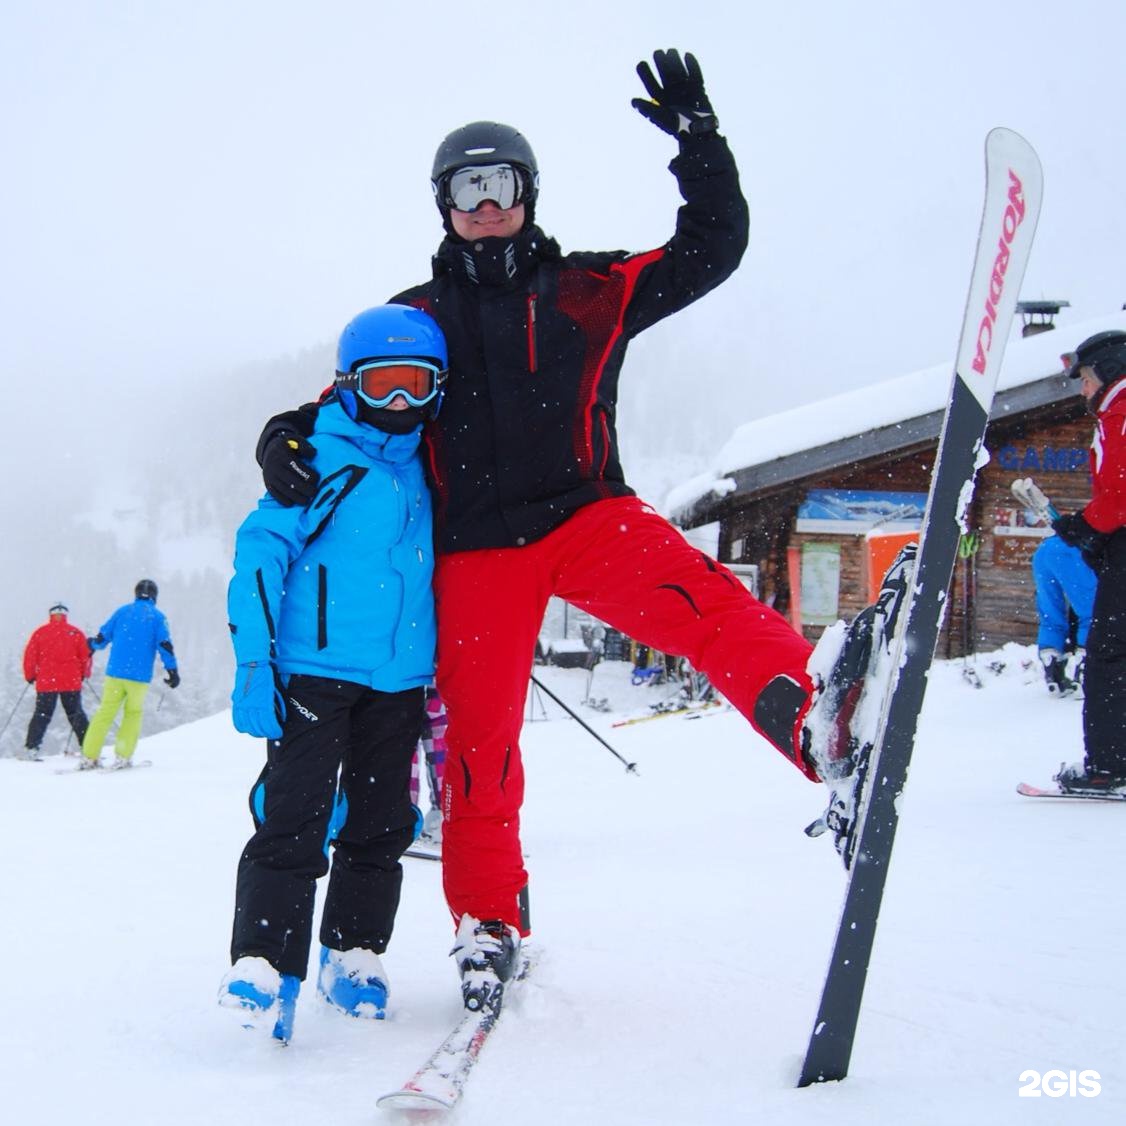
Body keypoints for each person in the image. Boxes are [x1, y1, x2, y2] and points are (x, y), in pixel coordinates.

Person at [253, 50, 899, 1014]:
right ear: (443, 204)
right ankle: (487, 924)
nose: (484, 206)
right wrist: (282, 437)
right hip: (474, 554)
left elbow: (712, 247)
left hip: (588, 513)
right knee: (479, 749)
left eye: (499, 186)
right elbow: (348, 405)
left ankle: (814, 719)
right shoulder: (413, 317)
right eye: (464, 190)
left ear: (527, 194)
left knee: (703, 604)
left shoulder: (588, 290)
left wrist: (699, 145)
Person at [219, 305, 444, 1044]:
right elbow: (260, 552)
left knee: (382, 824)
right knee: (293, 817)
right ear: (349, 384)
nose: (401, 404)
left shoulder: (437, 465)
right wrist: (256, 661)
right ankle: (263, 962)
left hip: (400, 679)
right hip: (313, 674)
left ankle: (352, 952)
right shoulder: (319, 454)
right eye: (385, 385)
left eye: (417, 385)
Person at [1051, 331, 1126, 791]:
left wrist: (1087, 527)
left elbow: (1121, 490)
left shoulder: (1121, 409)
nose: (1082, 390)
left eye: (1085, 379)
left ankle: (1110, 765)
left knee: (1110, 654)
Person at [80, 580, 179, 769]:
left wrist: (92, 645)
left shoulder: (122, 612)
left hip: (115, 673)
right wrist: (172, 671)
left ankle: (89, 756)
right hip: (139, 678)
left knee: (105, 713)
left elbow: (103, 637)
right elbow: (165, 645)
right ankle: (123, 757)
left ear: (136, 593)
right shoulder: (157, 617)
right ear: (154, 596)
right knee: (132, 714)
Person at [21, 603, 91, 760]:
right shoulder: (75, 632)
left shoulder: (41, 633)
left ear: (50, 615)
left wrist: (30, 675)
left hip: (47, 681)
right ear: (66, 614)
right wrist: (84, 674)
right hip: (70, 680)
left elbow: (30, 655)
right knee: (76, 713)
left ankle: (31, 748)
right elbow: (85, 656)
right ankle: (88, 747)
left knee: (42, 714)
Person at [1030, 534, 1096, 695]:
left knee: (1050, 615)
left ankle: (1052, 666)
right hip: (1073, 552)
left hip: (1044, 551)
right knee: (1092, 614)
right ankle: (1085, 670)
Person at [411, 685, 448, 847]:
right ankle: (444, 814)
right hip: (442, 670)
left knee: (404, 732)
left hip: (408, 672)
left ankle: (405, 812)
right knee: (438, 729)